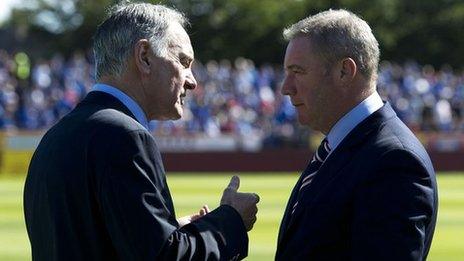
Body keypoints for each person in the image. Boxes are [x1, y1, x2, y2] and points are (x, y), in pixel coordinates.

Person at [24, 3, 259, 260]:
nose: (192, 81)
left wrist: (169, 230)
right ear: (144, 56)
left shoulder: (56, 136)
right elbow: (165, 257)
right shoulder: (124, 135)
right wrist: (230, 221)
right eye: (183, 61)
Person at [276, 9, 438, 260]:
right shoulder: (340, 145)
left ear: (344, 71)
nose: (286, 88)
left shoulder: (394, 161)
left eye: (297, 72)